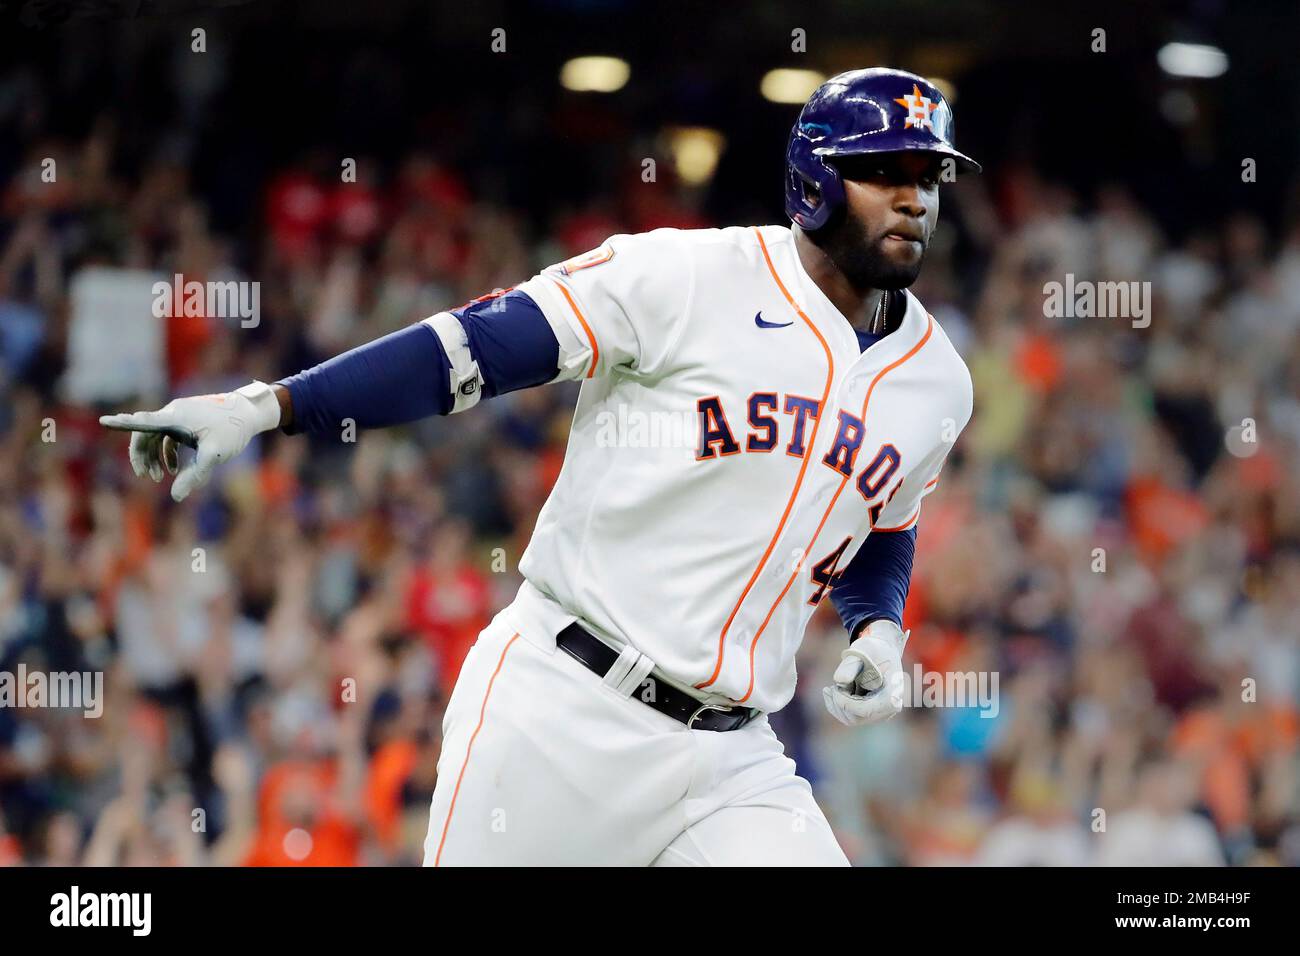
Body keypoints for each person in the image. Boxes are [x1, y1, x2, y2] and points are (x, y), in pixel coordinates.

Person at [102, 68, 979, 866]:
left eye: (928, 176)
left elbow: (885, 525)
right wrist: (269, 406)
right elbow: (470, 349)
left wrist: (878, 631)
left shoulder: (936, 380)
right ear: (816, 181)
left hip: (733, 756)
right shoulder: (685, 277)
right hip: (565, 711)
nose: (914, 199)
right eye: (887, 171)